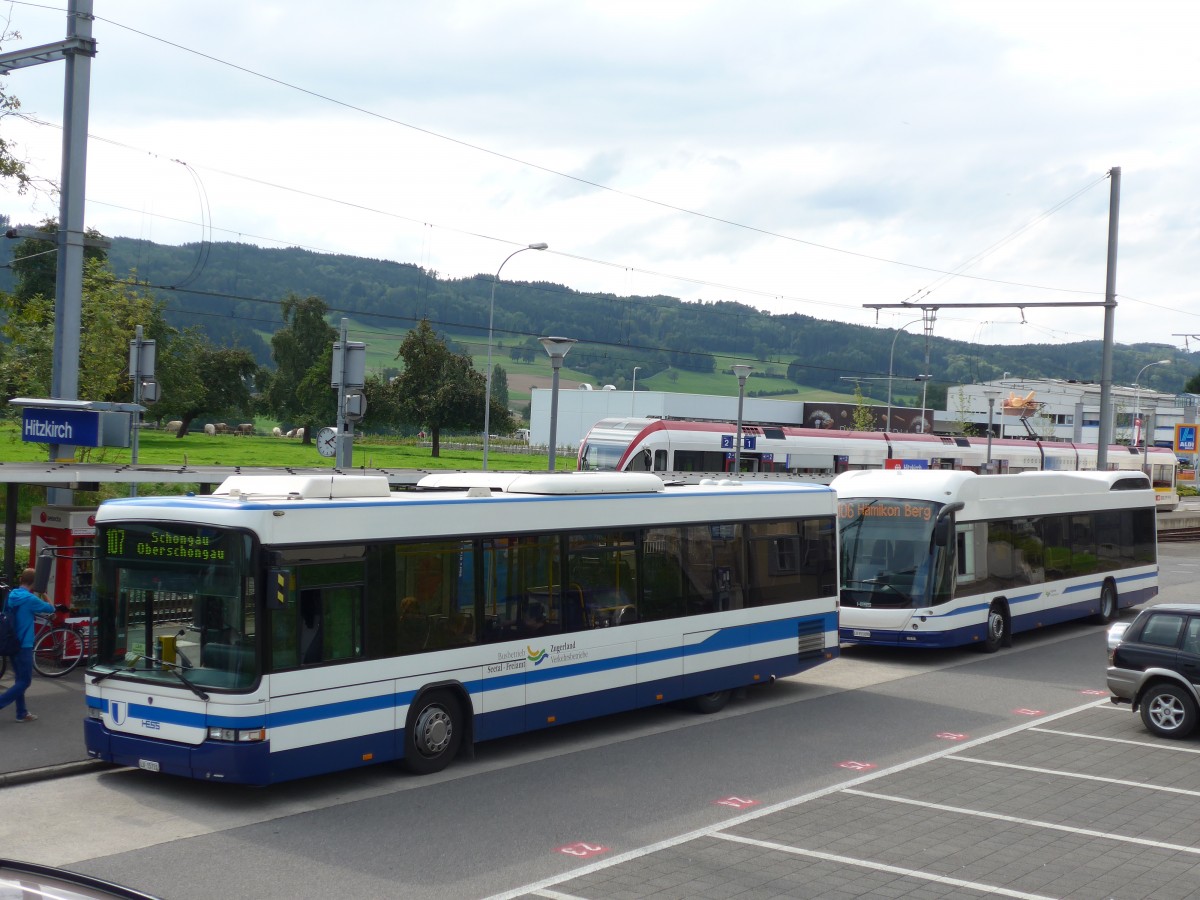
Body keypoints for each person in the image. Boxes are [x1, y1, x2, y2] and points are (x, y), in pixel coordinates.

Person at [0, 568, 55, 723]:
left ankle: (22, 713)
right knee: (25, 681)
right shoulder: (30, 599)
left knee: (19, 680)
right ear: (34, 582)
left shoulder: (11, 595)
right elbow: (51, 609)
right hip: (24, 644)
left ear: (21, 580)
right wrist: (44, 593)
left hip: (10, 641)